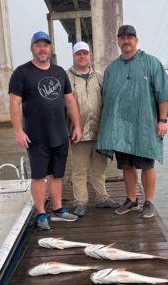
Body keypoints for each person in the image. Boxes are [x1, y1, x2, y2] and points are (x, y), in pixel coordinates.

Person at [96, 25, 168, 218]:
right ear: (118, 41)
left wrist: (163, 120)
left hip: (145, 125)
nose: (126, 41)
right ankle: (131, 199)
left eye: (130, 37)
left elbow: (163, 95)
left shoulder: (151, 63)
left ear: (136, 40)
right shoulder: (111, 70)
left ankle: (148, 201)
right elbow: (106, 100)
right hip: (120, 128)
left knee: (147, 164)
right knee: (126, 166)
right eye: (122, 38)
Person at [9, 31, 82, 230]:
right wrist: (18, 131)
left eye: (46, 45)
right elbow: (14, 103)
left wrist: (76, 126)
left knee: (57, 175)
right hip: (35, 136)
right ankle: (41, 213)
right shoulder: (22, 73)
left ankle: (57, 210)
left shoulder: (59, 72)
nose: (42, 49)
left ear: (50, 48)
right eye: (38, 45)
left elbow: (69, 100)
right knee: (39, 176)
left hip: (60, 134)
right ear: (32, 48)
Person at [66, 41, 119, 217]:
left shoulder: (100, 77)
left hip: (99, 132)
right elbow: (61, 107)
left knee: (100, 168)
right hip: (77, 133)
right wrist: (66, 132)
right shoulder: (66, 77)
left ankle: (102, 197)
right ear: (73, 56)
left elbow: (109, 103)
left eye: (85, 53)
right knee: (79, 170)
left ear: (90, 55)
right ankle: (80, 201)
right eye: (78, 54)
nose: (82, 56)